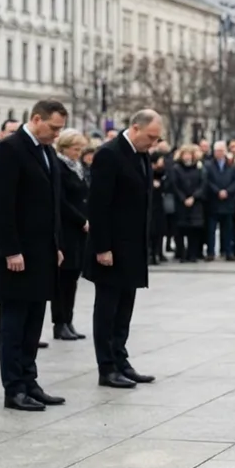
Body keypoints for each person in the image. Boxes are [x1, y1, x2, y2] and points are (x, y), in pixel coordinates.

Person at [0, 100, 67, 411]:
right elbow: (2, 204)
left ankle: (30, 380)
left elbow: (52, 203)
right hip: (18, 253)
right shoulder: (10, 149)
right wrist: (11, 250)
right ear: (36, 119)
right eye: (53, 127)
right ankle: (14, 388)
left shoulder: (46, 150)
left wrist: (56, 244)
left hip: (42, 251)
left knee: (35, 321)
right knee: (14, 323)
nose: (57, 135)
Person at [87, 110, 162, 389]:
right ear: (135, 128)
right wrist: (102, 247)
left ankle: (121, 359)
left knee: (124, 308)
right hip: (112, 248)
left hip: (133, 246)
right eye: (150, 137)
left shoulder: (142, 155)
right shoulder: (109, 154)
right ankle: (106, 367)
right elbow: (98, 204)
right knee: (107, 308)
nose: (153, 143)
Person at [52, 130, 90, 342]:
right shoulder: (59, 167)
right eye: (75, 149)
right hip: (67, 227)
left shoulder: (78, 167)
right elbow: (62, 200)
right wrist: (80, 219)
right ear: (65, 147)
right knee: (63, 277)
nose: (79, 153)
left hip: (80, 229)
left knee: (73, 276)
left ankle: (69, 319)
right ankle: (59, 321)